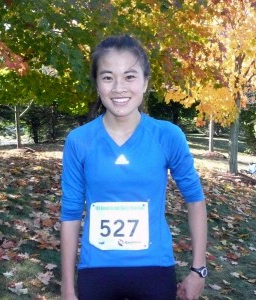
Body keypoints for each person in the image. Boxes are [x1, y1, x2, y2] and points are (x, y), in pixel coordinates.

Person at [60, 34, 207, 300]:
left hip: (155, 270)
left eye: (129, 76)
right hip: (96, 271)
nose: (118, 88)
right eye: (107, 77)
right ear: (97, 84)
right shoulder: (79, 141)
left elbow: (195, 200)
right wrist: (68, 288)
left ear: (145, 82)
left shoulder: (168, 136)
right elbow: (70, 214)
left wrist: (198, 270)